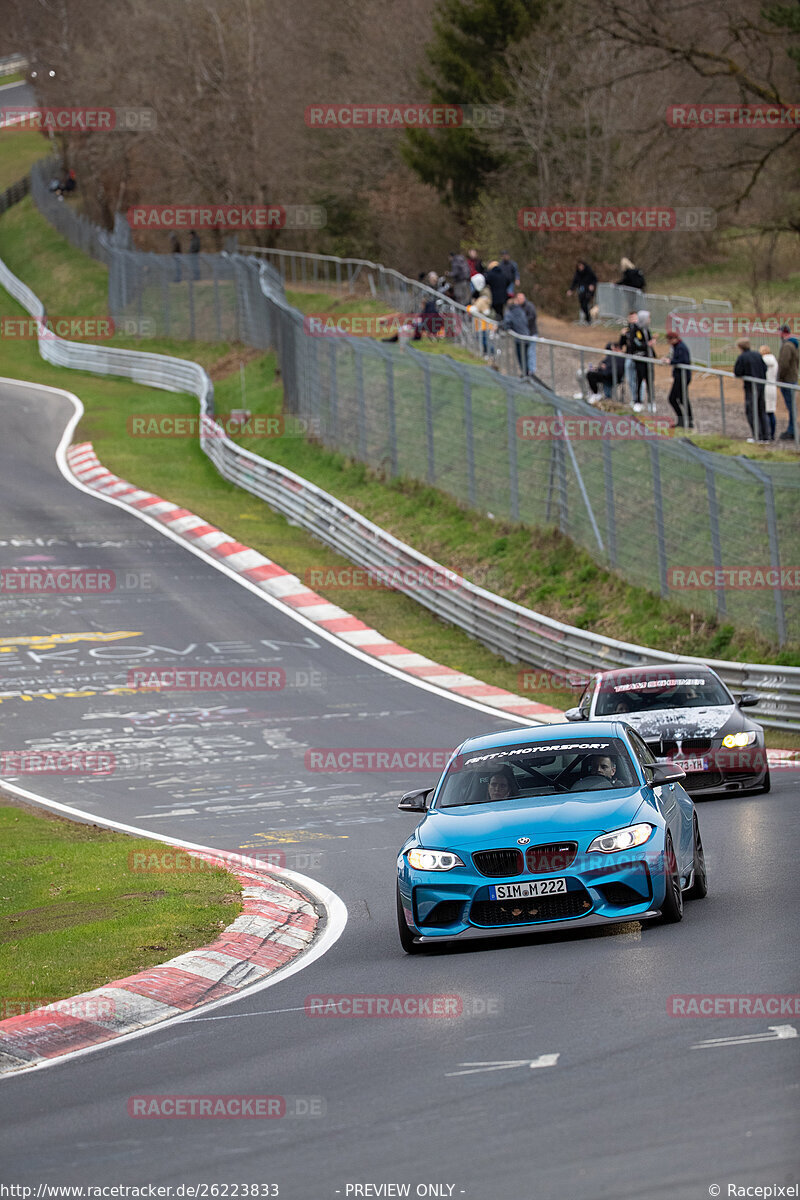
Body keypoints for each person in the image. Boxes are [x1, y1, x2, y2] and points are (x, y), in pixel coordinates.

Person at [733, 338, 768, 443]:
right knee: (761, 410)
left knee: (752, 411)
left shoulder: (742, 357)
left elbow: (737, 372)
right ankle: (765, 436)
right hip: (761, 385)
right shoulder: (757, 355)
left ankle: (757, 435)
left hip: (751, 387)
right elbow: (765, 368)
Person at [619, 310, 650, 411]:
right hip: (629, 357)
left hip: (639, 357)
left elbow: (643, 343)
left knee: (640, 379)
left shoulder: (640, 329)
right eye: (630, 318)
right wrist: (622, 335)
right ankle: (634, 398)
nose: (632, 320)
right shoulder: (628, 330)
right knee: (631, 378)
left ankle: (640, 400)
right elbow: (622, 344)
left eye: (634, 318)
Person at [663, 330, 693, 429]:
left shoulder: (681, 347)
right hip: (679, 376)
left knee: (677, 398)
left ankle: (687, 421)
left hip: (682, 377)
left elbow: (683, 360)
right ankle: (684, 421)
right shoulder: (676, 347)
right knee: (679, 398)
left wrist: (671, 361)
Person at [777, 324, 799, 441]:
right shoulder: (794, 345)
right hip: (792, 378)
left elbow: (784, 364)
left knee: (791, 407)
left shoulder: (787, 346)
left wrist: (779, 378)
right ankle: (792, 430)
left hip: (787, 380)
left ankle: (792, 431)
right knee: (792, 406)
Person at [467, 273, 493, 359]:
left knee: (485, 338)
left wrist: (475, 307)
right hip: (479, 321)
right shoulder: (478, 293)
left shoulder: (485, 292)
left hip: (485, 321)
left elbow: (483, 304)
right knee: (480, 337)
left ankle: (491, 352)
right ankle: (486, 352)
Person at [501, 294, 529, 376]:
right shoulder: (521, 311)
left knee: (521, 357)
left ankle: (525, 374)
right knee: (525, 357)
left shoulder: (510, 313)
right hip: (526, 336)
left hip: (519, 338)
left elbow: (507, 324)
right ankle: (526, 373)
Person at [636, 309, 657, 412]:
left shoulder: (647, 330)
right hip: (640, 360)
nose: (649, 320)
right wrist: (648, 344)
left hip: (649, 360)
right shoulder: (636, 330)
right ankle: (638, 401)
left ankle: (651, 402)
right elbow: (637, 343)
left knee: (650, 382)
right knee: (639, 380)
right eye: (648, 318)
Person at [566, 260, 597, 324]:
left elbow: (595, 279)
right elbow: (574, 282)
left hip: (588, 291)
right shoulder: (577, 274)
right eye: (579, 266)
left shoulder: (589, 272)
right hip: (581, 291)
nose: (580, 267)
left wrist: (592, 285)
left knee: (586, 303)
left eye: (581, 266)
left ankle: (588, 319)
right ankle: (588, 317)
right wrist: (571, 290)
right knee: (582, 305)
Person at [760, 345, 779, 441]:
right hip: (773, 386)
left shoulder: (762, 361)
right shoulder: (774, 360)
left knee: (765, 412)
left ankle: (766, 433)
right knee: (771, 411)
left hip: (766, 387)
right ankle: (772, 433)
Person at [517, 292, 538, 375]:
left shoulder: (529, 306)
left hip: (531, 333)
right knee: (524, 353)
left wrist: (522, 322)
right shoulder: (517, 308)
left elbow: (533, 317)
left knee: (531, 352)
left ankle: (531, 371)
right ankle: (526, 371)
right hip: (523, 335)